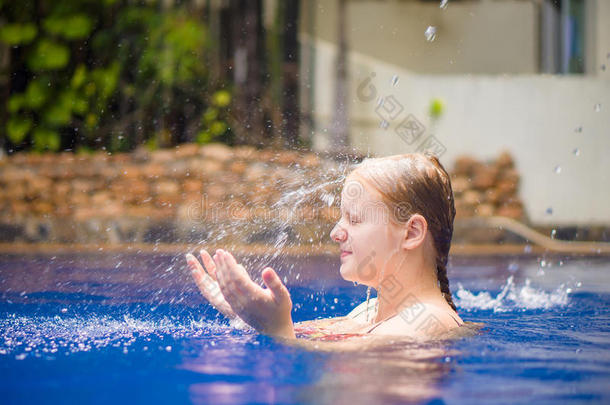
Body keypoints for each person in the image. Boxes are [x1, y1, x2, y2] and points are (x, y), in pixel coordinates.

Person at [185, 153, 463, 341]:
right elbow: (300, 336)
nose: (336, 232)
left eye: (354, 219)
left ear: (412, 232)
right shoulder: (367, 312)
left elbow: (295, 345)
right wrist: (246, 315)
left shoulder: (427, 323)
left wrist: (277, 330)